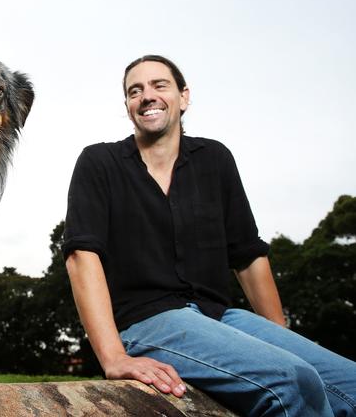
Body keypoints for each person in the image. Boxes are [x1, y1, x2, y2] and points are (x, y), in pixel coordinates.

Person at [62, 55, 356, 417]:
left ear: (184, 97)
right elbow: (81, 257)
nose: (146, 96)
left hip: (220, 316)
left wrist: (279, 339)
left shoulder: (215, 159)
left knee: (350, 381)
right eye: (134, 91)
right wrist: (114, 356)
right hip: (149, 320)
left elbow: (248, 256)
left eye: (159, 85)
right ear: (127, 106)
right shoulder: (99, 162)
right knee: (292, 381)